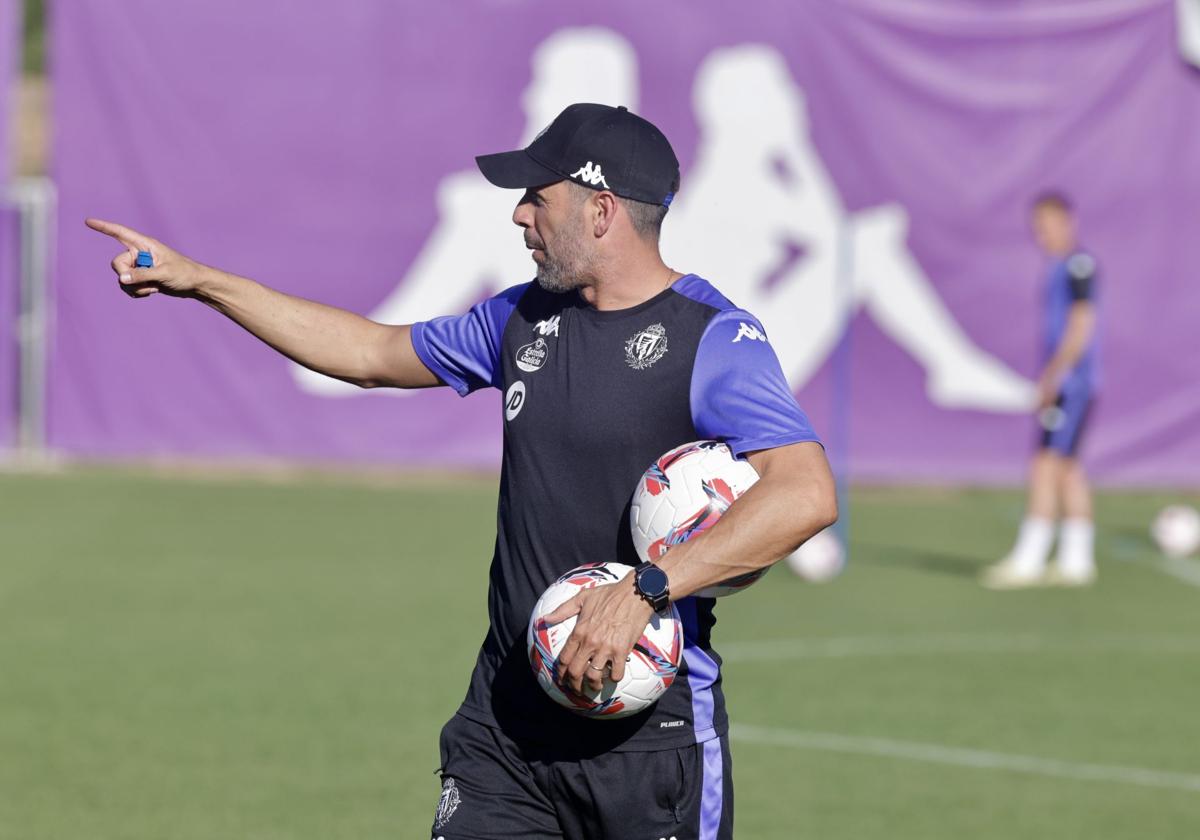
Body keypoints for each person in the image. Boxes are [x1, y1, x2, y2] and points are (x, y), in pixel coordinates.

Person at [88, 103, 837, 839]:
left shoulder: (714, 338)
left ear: (601, 211)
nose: (518, 216)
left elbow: (805, 493)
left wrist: (646, 589)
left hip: (645, 742)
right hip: (504, 730)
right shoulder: (521, 317)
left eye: (537, 198)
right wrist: (203, 282)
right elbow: (370, 354)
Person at [982, 193, 1099, 589]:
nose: (1041, 233)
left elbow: (1082, 324)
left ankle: (1029, 559)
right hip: (1072, 382)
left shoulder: (1078, 265)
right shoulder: (1056, 267)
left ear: (1068, 221)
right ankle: (1076, 561)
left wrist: (1053, 375)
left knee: (1045, 466)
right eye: (1037, 225)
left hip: (1073, 384)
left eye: (1047, 224)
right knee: (1067, 470)